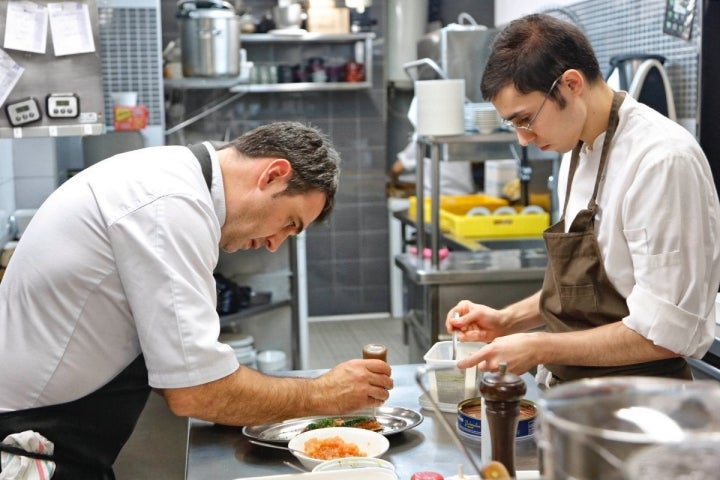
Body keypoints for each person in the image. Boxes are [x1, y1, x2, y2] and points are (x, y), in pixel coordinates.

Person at [0, 122, 393, 479]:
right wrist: (323, 394)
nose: (275, 244)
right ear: (273, 175)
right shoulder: (171, 207)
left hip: (60, 434)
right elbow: (195, 391)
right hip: (33, 447)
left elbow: (183, 365)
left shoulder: (172, 178)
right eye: (289, 223)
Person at [446, 14, 720, 386]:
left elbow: (665, 335)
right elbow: (585, 290)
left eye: (525, 119)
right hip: (575, 395)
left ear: (571, 84)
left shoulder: (662, 161)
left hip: (640, 405)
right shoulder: (575, 149)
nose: (524, 138)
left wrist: (540, 346)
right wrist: (506, 320)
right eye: (514, 125)